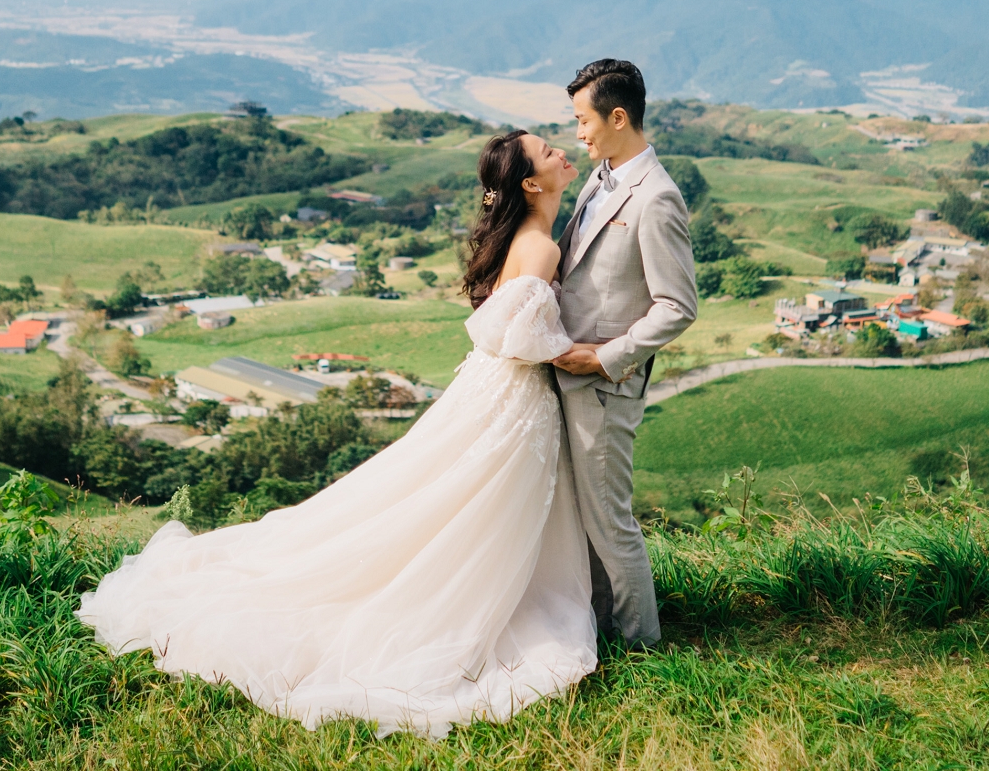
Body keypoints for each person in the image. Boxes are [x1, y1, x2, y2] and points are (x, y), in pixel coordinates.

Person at [77, 129, 597, 738]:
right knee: (471, 508)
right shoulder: (539, 248)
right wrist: (591, 353)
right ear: (531, 182)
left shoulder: (522, 239)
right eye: (549, 151)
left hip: (489, 391)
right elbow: (518, 338)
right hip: (512, 396)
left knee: (444, 502)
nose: (564, 150)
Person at [550, 57, 698, 648]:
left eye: (583, 121)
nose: (578, 134)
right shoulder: (601, 175)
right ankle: (597, 629)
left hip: (604, 384)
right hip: (566, 376)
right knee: (584, 524)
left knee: (611, 524)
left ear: (617, 116)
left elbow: (677, 306)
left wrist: (604, 357)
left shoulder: (657, 197)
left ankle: (641, 648)